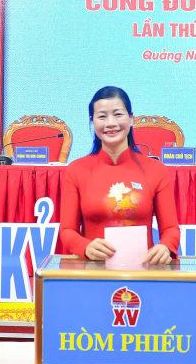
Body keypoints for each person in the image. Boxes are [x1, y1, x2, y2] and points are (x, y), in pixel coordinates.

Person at [59, 86, 180, 264]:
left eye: (118, 114)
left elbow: (171, 229)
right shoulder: (76, 170)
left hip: (144, 271)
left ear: (131, 118)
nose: (110, 123)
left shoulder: (156, 169)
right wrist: (85, 247)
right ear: (92, 121)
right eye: (102, 116)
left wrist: (166, 246)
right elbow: (67, 231)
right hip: (93, 270)